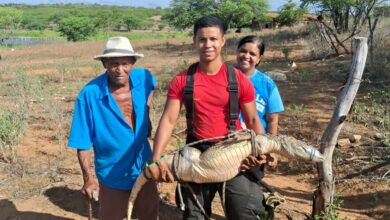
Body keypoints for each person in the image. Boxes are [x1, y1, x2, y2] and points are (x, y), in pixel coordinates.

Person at [149, 16, 276, 220]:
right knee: (194, 214)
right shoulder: (182, 80)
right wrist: (156, 158)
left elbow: (253, 120)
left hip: (234, 153)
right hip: (197, 155)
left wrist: (263, 151)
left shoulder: (239, 80)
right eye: (202, 39)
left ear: (223, 41)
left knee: (245, 211)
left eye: (213, 39)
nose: (207, 44)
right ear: (194, 41)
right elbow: (168, 121)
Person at [67, 36, 159, 220]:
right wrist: (88, 179)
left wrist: (146, 114)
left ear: (133, 63)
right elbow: (83, 143)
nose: (120, 69)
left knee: (149, 215)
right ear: (104, 64)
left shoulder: (143, 78)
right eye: (113, 63)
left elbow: (152, 86)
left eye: (125, 63)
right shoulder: (89, 95)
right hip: (112, 174)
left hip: (145, 167)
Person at [236, 35, 284, 135]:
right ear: (237, 51)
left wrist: (269, 147)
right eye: (243, 51)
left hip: (256, 141)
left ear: (259, 58)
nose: (246, 56)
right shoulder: (224, 76)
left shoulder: (267, 83)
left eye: (252, 54)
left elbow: (272, 120)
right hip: (227, 140)